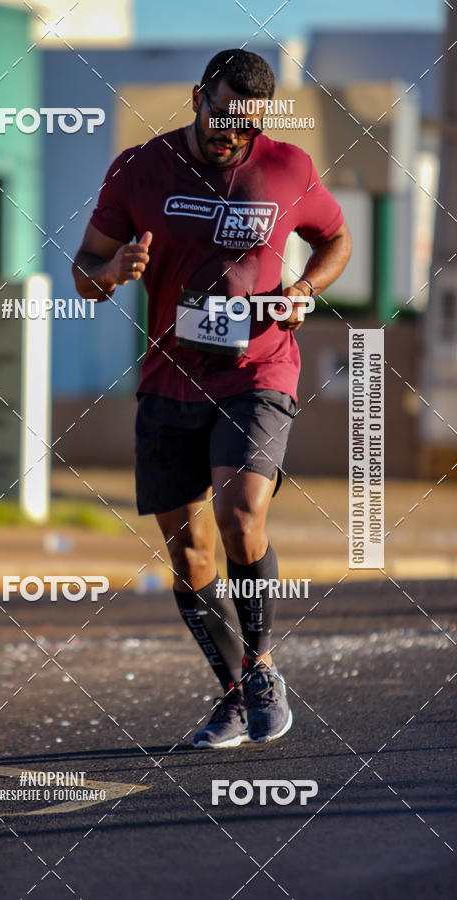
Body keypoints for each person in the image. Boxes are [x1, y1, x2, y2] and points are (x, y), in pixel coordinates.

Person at [72, 49, 352, 749]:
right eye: (222, 116)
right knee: (189, 552)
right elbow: (84, 270)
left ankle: (261, 668)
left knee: (239, 511)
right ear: (198, 96)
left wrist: (303, 290)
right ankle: (231, 692)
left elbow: (336, 238)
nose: (232, 135)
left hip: (258, 370)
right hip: (169, 380)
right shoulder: (140, 168)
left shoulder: (287, 167)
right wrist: (112, 271)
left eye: (246, 126)